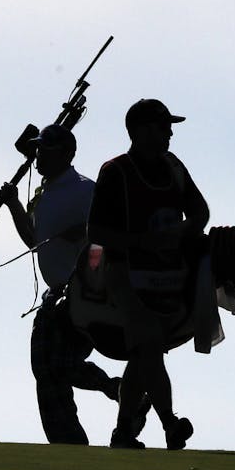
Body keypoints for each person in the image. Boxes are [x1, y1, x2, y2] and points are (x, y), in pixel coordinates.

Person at [88, 99, 209, 450]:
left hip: (168, 274)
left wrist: (180, 234)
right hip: (125, 272)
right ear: (140, 130)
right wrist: (141, 242)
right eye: (162, 126)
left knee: (143, 354)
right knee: (151, 343)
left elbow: (200, 212)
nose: (170, 133)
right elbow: (96, 232)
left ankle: (124, 431)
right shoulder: (115, 172)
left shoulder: (173, 167)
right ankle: (170, 424)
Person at [1, 124, 121, 445]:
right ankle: (71, 439)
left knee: (55, 364)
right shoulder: (44, 195)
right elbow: (34, 239)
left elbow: (111, 230)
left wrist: (84, 231)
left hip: (85, 293)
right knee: (46, 367)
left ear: (65, 155)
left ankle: (116, 390)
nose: (39, 156)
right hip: (55, 293)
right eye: (38, 149)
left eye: (46, 150)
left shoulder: (85, 190)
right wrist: (13, 203)